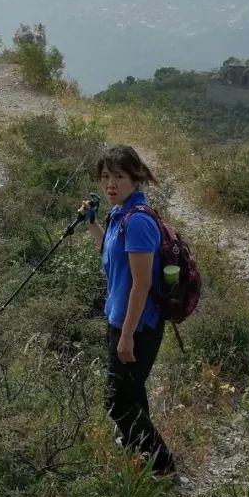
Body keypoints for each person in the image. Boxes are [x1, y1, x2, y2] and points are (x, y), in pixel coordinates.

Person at [82, 145, 177, 478]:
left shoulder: (137, 222)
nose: (110, 183)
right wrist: (92, 222)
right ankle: (142, 451)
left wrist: (126, 337)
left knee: (115, 400)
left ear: (135, 178)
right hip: (120, 319)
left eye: (119, 176)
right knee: (131, 392)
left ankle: (162, 464)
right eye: (106, 176)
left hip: (137, 326)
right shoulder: (120, 214)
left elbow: (140, 285)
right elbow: (107, 253)